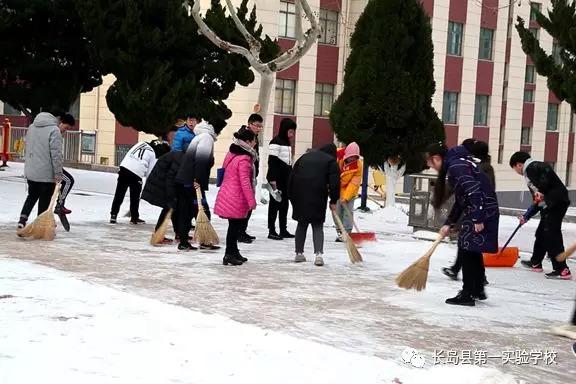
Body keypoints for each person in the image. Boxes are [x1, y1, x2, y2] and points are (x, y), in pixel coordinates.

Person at [427, 142, 499, 306]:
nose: (431, 166)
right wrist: (449, 222)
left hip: (482, 210)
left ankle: (467, 293)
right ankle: (477, 289)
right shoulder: (458, 162)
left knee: (467, 248)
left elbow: (473, 191)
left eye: (430, 163)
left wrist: (478, 218)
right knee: (471, 249)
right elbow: (461, 199)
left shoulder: (456, 165)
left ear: (437, 159)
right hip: (482, 209)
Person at [510, 151, 572, 279]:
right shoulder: (530, 173)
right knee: (542, 233)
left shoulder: (533, 167)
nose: (516, 171)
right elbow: (537, 200)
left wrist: (542, 190)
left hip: (556, 203)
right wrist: (527, 216)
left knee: (551, 234)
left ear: (518, 165)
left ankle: (562, 269)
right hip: (550, 204)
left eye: (514, 168)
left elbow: (546, 170)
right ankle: (536, 262)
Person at [442, 139, 495, 281]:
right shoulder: (474, 165)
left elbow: (479, 192)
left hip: (478, 210)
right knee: (469, 245)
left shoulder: (481, 167)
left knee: (468, 244)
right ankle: (477, 278)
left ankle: (469, 278)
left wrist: (478, 216)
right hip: (473, 209)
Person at [175, 117, 227, 251]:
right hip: (191, 181)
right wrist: (197, 180)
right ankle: (196, 241)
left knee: (189, 210)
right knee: (197, 209)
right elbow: (201, 160)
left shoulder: (201, 136)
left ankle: (188, 240)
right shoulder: (206, 138)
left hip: (187, 179)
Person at [288, 143, 340, 266]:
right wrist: (333, 200)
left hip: (299, 194)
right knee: (317, 225)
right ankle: (318, 255)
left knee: (302, 223)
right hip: (318, 194)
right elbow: (334, 183)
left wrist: (291, 196)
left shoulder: (304, 157)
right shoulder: (331, 161)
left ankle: (299, 253)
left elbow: (291, 177)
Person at [214, 129, 258, 265]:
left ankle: (233, 251)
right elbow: (245, 181)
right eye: (254, 141)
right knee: (234, 227)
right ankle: (229, 254)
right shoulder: (244, 158)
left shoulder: (232, 153)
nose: (255, 143)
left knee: (234, 226)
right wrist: (251, 200)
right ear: (248, 142)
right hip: (236, 196)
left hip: (228, 192)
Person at [18, 112, 66, 229]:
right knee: (45, 198)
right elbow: (56, 155)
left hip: (31, 170)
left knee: (32, 195)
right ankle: (40, 226)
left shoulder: (31, 127)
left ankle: (22, 219)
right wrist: (58, 173)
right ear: (57, 119)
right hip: (46, 173)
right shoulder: (54, 130)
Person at [141, 150, 184, 243]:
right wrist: (172, 195)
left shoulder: (182, 156)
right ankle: (158, 234)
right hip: (161, 182)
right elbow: (170, 178)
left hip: (163, 180)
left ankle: (178, 233)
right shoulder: (181, 158)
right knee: (169, 206)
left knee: (172, 207)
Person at [110, 141, 157, 224]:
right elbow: (150, 172)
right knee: (134, 197)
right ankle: (134, 218)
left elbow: (128, 154)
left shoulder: (140, 143)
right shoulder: (152, 153)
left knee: (119, 194)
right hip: (137, 173)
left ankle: (113, 215)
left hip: (124, 168)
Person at [266, 118, 297, 240]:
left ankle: (283, 229)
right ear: (284, 130)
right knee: (274, 204)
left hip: (286, 179)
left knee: (284, 204)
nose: (292, 134)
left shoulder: (287, 143)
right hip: (276, 179)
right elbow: (272, 162)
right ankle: (272, 230)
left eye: (293, 131)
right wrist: (273, 180)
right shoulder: (275, 142)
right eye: (290, 131)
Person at [237, 113, 263, 243]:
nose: (258, 128)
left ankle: (242, 230)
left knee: (247, 206)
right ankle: (239, 232)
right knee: (244, 205)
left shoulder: (254, 137)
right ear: (249, 124)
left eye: (260, 126)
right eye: (256, 126)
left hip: (251, 174)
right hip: (245, 175)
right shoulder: (244, 137)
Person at [335, 142, 362, 241]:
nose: (353, 159)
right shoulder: (338, 158)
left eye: (355, 157)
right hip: (337, 188)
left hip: (350, 191)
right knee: (337, 211)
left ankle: (347, 232)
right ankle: (340, 232)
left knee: (348, 211)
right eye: (351, 157)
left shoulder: (358, 165)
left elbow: (354, 183)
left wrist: (346, 197)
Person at [54, 114, 77, 216]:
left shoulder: (56, 133)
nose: (65, 130)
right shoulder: (55, 133)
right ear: (61, 122)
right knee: (68, 181)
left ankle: (60, 204)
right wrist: (57, 171)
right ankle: (59, 205)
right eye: (66, 127)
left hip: (54, 165)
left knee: (68, 180)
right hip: (52, 167)